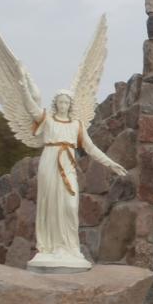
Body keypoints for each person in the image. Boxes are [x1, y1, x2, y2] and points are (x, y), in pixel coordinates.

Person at [27, 90, 127, 271]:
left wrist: (111, 164)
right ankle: (52, 247)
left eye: (66, 103)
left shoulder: (76, 125)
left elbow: (91, 148)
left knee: (70, 205)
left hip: (67, 164)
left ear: (70, 105)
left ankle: (70, 248)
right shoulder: (47, 120)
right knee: (51, 205)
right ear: (55, 104)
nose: (63, 106)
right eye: (60, 102)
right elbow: (32, 108)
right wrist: (25, 88)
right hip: (49, 163)